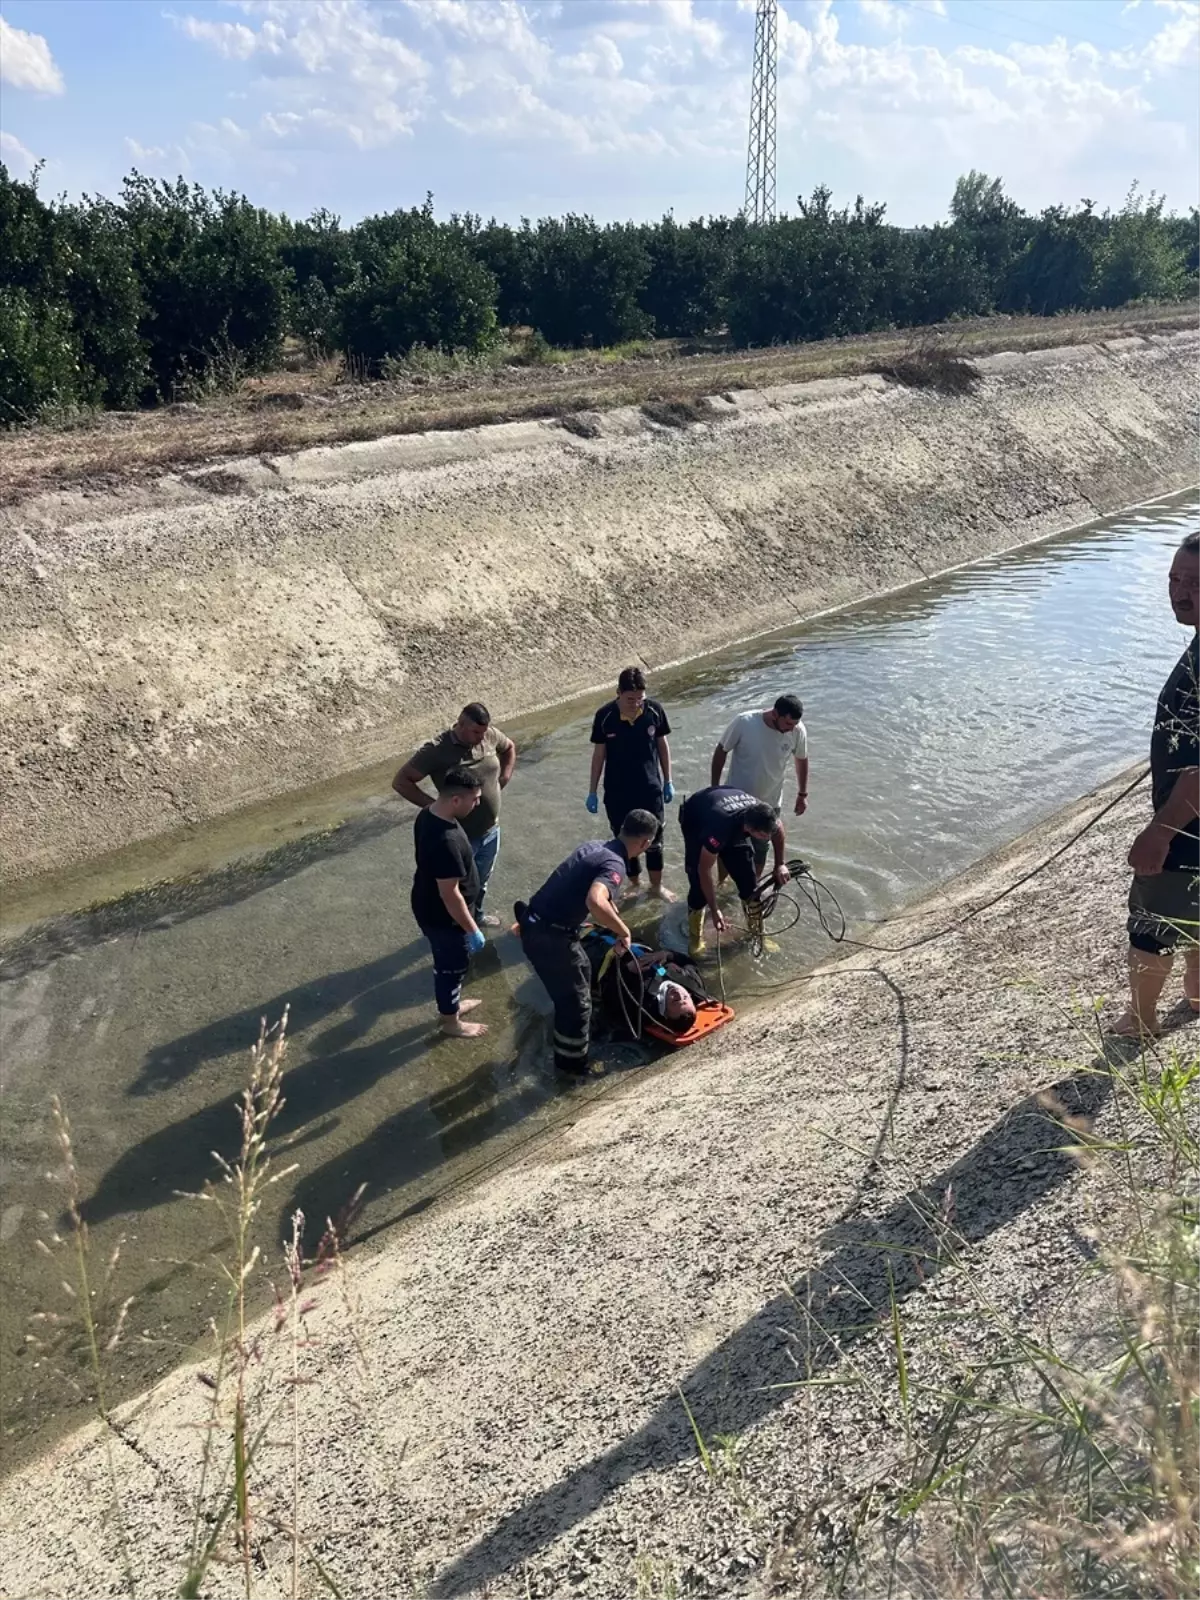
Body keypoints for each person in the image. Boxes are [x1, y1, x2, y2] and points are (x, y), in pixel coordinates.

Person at [1114, 529, 1200, 1037]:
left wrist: (1160, 830)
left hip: (1187, 824)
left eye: (1194, 582)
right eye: (1174, 578)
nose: (1179, 590)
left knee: (1151, 924)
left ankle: (1141, 1019)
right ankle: (1196, 992)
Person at [515, 809, 659, 1074]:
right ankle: (571, 1067)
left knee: (583, 971)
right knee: (576, 1005)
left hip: (535, 921)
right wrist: (624, 932)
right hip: (551, 938)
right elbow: (595, 901)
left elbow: (564, 882)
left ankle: (583, 1030)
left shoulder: (593, 846)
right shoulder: (615, 864)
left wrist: (528, 921)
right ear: (645, 844)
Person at [393, 703, 516, 927]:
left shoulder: (489, 735)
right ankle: (457, 928)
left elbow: (509, 748)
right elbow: (401, 781)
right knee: (456, 888)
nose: (481, 737)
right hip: (461, 837)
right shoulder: (436, 750)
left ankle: (476, 917)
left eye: (483, 731)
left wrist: (504, 779)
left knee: (481, 882)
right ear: (460, 724)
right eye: (475, 732)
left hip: (491, 830)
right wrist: (433, 807)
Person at [410, 767, 489, 1039]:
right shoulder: (446, 840)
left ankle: (451, 1007)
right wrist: (471, 929)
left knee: (451, 966)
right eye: (474, 799)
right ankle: (450, 1022)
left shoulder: (428, 812)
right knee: (451, 968)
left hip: (426, 901)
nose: (478, 803)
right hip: (444, 917)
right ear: (456, 800)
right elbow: (449, 894)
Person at [586, 666, 676, 900]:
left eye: (640, 699)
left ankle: (656, 887)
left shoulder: (654, 711)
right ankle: (635, 883)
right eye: (630, 699)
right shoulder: (605, 716)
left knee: (655, 841)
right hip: (618, 792)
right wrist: (592, 791)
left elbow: (663, 747)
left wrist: (668, 780)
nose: (636, 704)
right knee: (625, 840)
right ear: (618, 693)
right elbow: (599, 756)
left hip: (650, 789)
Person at [679, 785, 789, 958]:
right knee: (698, 889)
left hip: (729, 811)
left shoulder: (763, 814)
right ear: (749, 829)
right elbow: (704, 869)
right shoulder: (720, 826)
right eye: (762, 836)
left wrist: (780, 865)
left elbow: (778, 829)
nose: (767, 839)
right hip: (696, 820)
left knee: (750, 885)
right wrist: (714, 910)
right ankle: (695, 939)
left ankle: (757, 935)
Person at [711, 694, 809, 872]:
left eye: (794, 725)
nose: (791, 729)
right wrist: (715, 788)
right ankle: (722, 884)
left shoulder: (797, 730)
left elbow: (801, 760)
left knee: (761, 850)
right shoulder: (744, 722)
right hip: (736, 801)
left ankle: (753, 890)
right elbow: (721, 751)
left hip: (769, 803)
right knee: (727, 849)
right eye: (788, 724)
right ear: (775, 714)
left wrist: (802, 794)